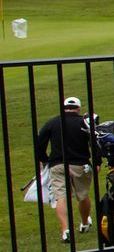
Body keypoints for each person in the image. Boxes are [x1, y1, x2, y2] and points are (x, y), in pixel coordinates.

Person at [34, 96, 95, 243]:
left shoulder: (53, 122)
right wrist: (97, 161)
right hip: (80, 164)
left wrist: (44, 159)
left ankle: (65, 230)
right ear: (78, 108)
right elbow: (94, 142)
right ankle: (85, 223)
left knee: (60, 197)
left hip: (58, 165)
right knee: (83, 195)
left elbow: (40, 142)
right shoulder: (83, 122)